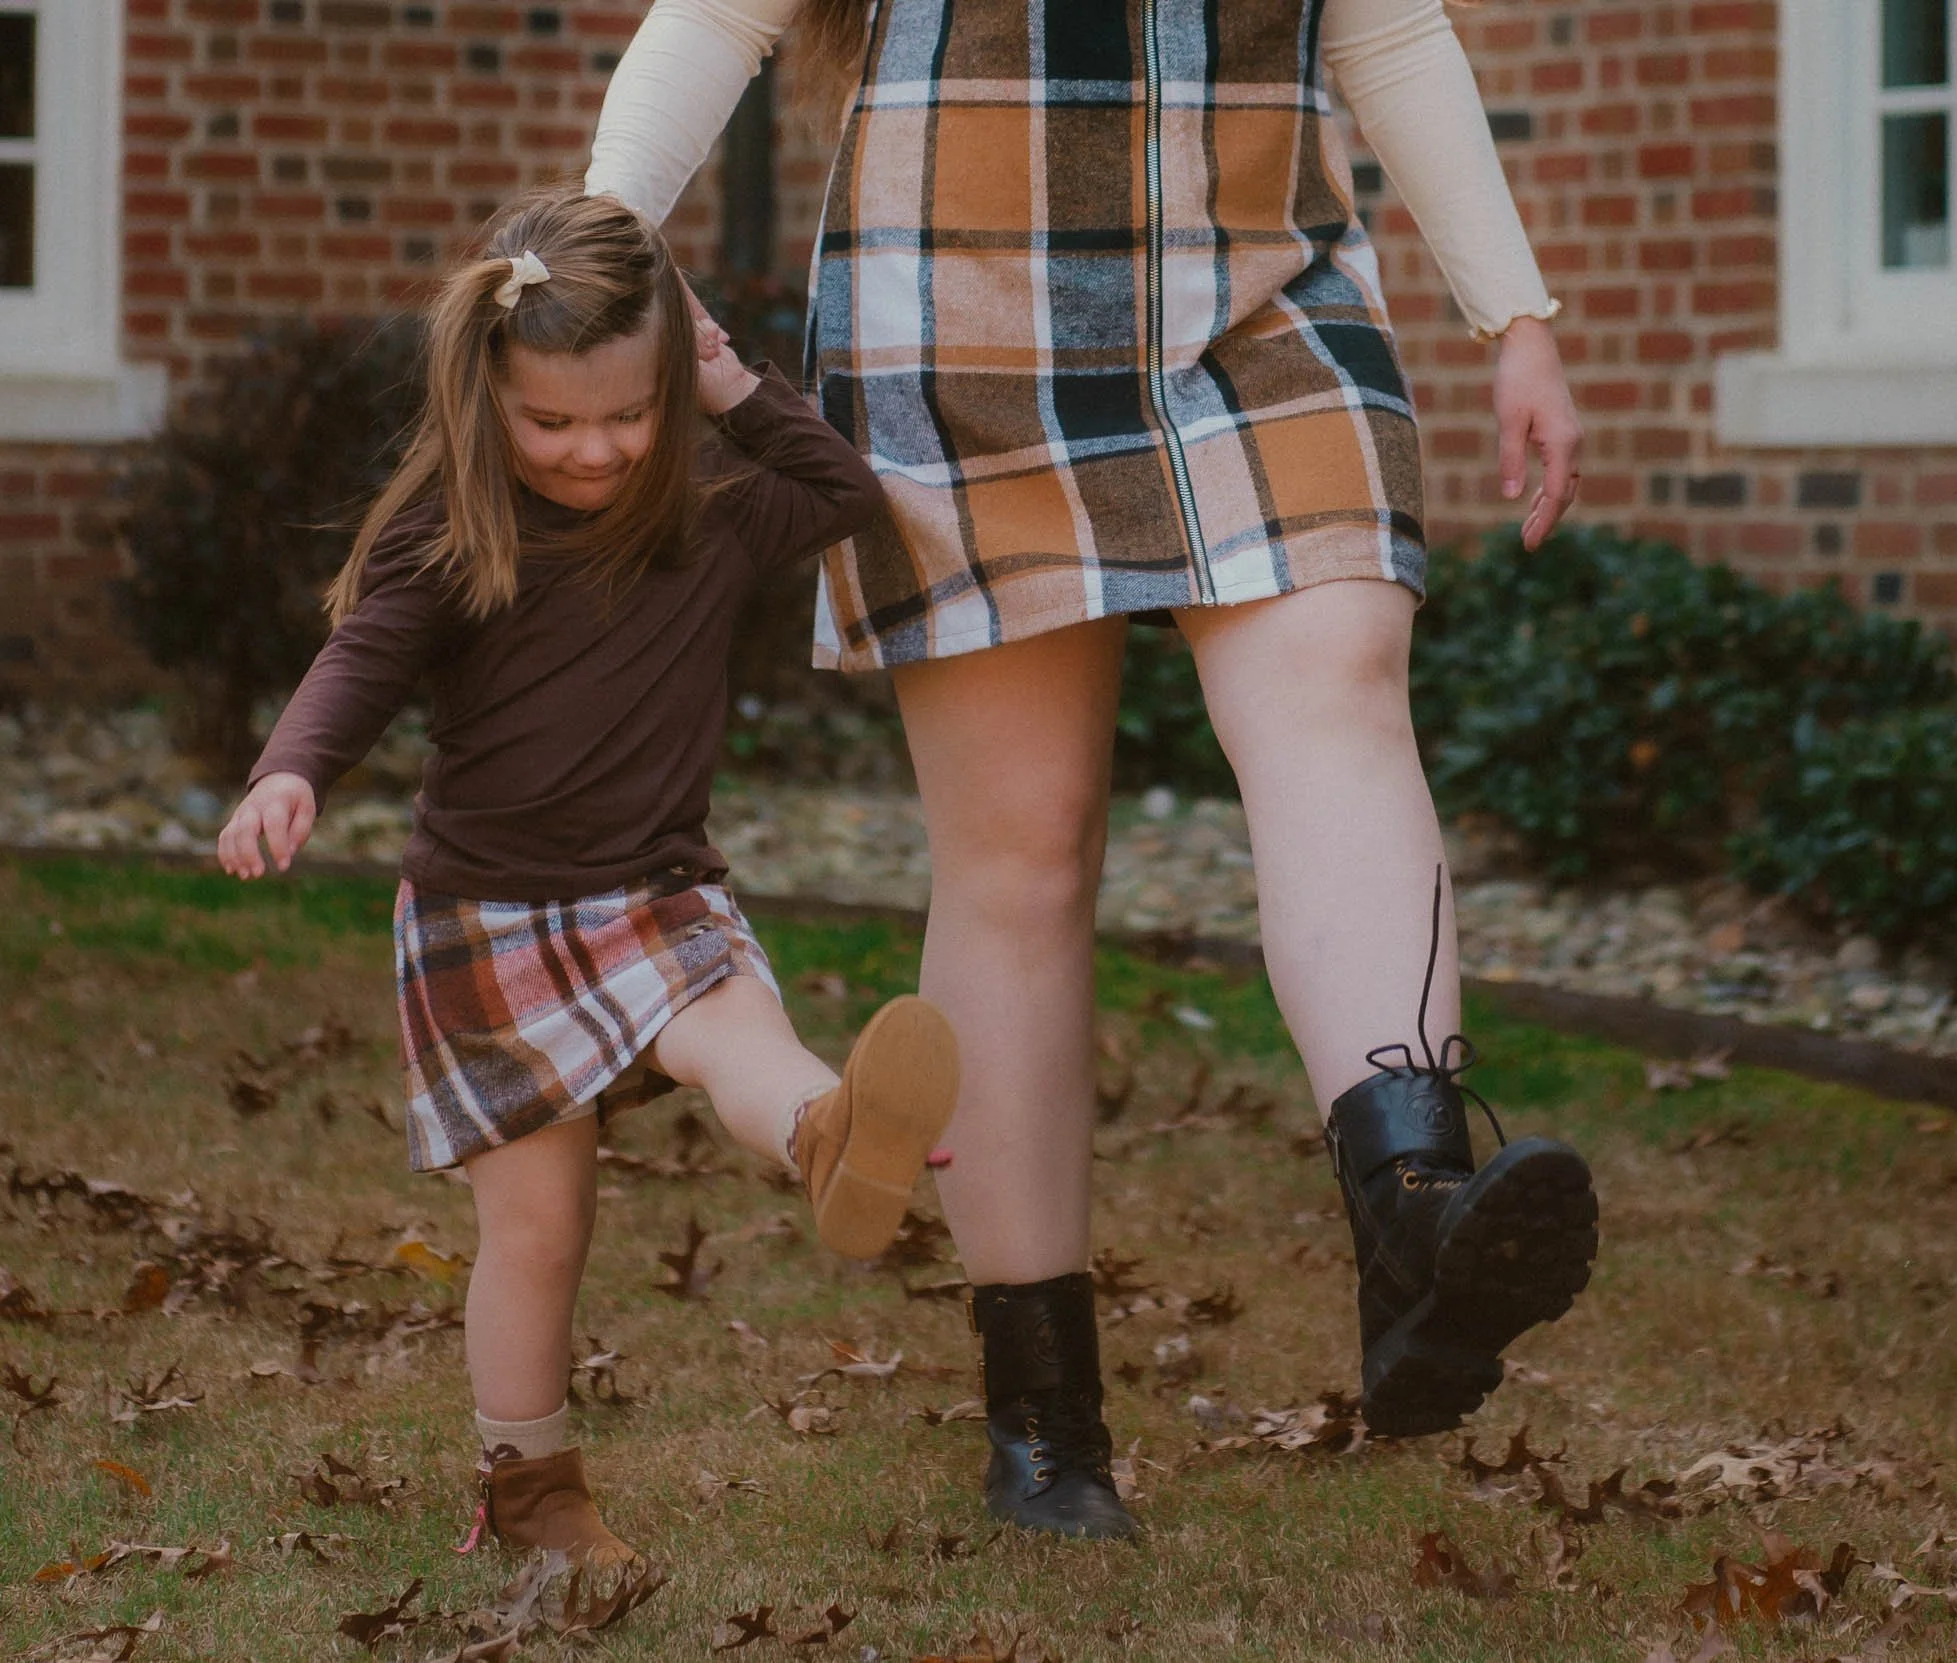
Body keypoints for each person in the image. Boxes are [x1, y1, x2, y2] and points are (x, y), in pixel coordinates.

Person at [586, 0, 1599, 1541]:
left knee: (1339, 683)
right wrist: (591, 250)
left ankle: (1415, 1220)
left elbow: (1386, 32)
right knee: (1023, 851)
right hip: (955, 316)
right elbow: (720, 19)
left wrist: (1513, 312)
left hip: (1267, 310)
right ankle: (1044, 1422)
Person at [217, 186, 960, 1576]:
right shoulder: (454, 528)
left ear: (672, 383)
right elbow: (360, 662)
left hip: (654, 884)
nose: (598, 447)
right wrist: (289, 769)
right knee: (541, 1225)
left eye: (628, 412)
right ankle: (529, 1492)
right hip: (484, 913)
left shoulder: (713, 495)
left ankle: (827, 1129)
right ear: (484, 393)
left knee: (738, 1026)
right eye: (552, 422)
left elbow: (844, 494)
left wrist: (738, 386)